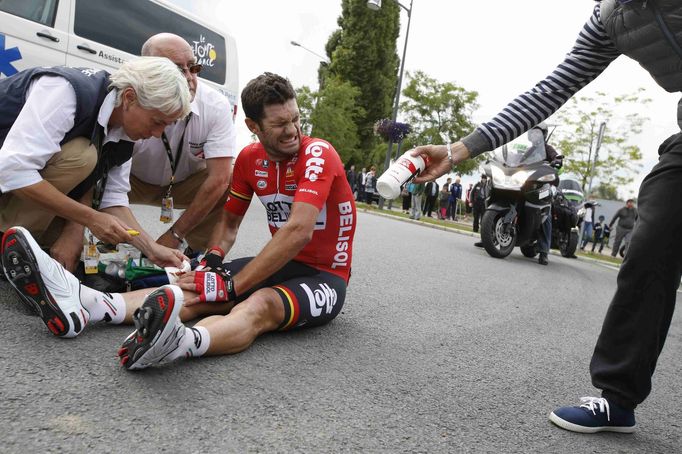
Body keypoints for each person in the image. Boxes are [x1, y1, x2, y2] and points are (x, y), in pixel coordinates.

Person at [411, 0, 682, 433]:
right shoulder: (610, 19)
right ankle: (618, 399)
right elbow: (551, 89)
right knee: (649, 251)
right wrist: (460, 149)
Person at [1, 72, 356, 369]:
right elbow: (229, 226)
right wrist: (214, 260)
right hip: (282, 263)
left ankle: (182, 342)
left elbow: (297, 231)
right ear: (253, 126)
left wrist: (235, 284)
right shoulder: (250, 158)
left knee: (259, 303)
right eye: (279, 124)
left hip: (325, 276)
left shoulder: (317, 153)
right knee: (196, 287)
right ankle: (88, 306)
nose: (292, 130)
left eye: (295, 119)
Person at [0, 57, 191, 273]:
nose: (157, 134)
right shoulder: (66, 92)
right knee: (82, 156)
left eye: (166, 126)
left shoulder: (126, 131)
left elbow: (113, 199)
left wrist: (151, 248)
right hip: (7, 176)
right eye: (157, 122)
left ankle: (26, 239)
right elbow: (13, 170)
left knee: (79, 252)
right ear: (129, 97)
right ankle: (7, 241)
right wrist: (90, 218)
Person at [129, 33, 236, 253]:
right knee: (85, 162)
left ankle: (193, 253)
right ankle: (63, 243)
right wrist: (147, 245)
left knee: (233, 180)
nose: (189, 77)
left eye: (193, 68)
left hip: (180, 185)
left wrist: (175, 235)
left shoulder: (216, 105)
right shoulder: (129, 95)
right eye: (178, 69)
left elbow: (219, 179)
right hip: (130, 181)